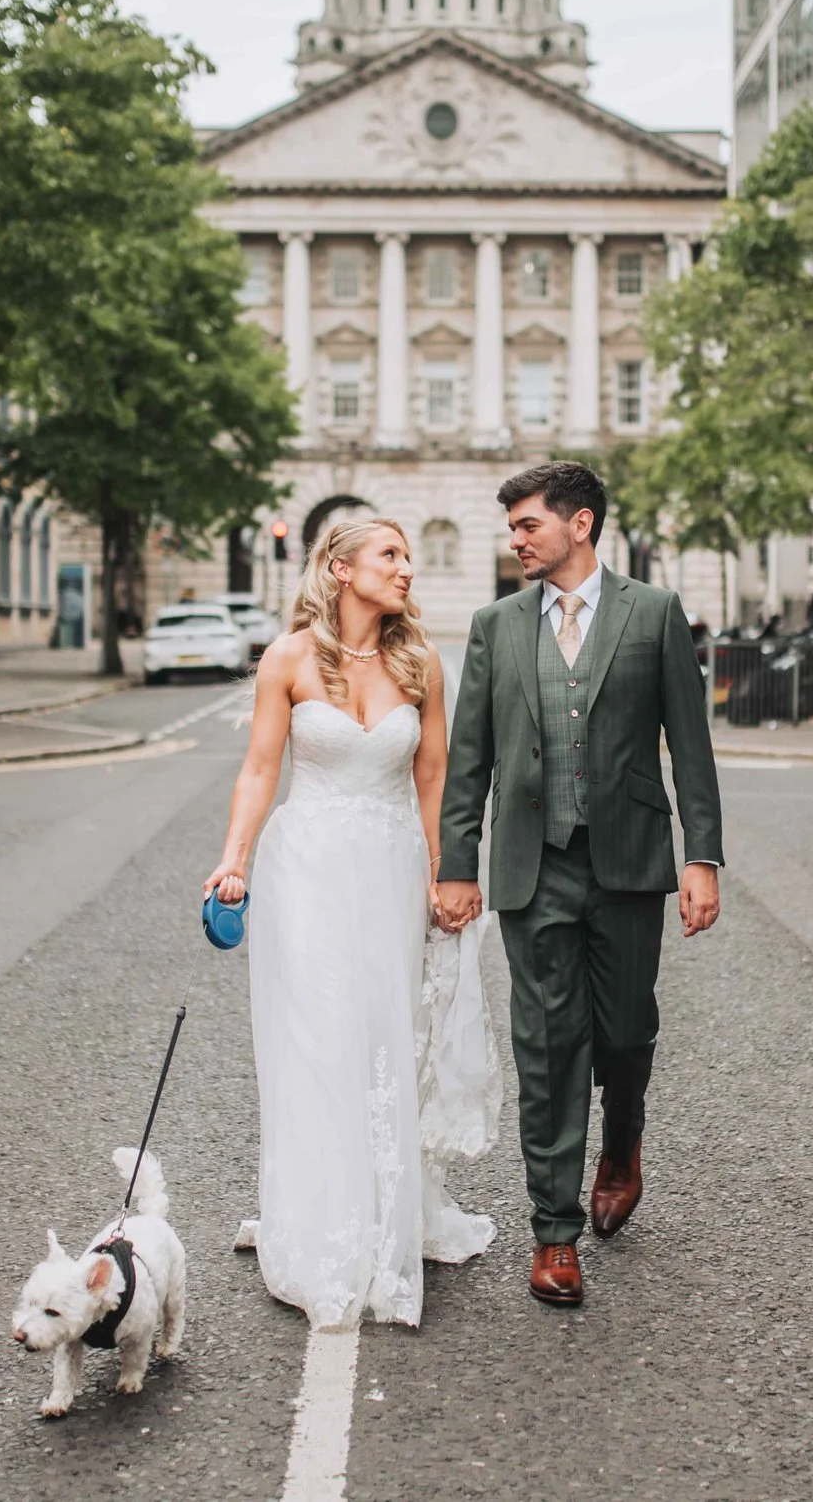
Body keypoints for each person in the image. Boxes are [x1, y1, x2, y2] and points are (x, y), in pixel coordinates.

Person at [435, 461, 724, 1309]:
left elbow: (690, 742)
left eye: (528, 525)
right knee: (549, 1044)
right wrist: (458, 863)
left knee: (626, 1031)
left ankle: (623, 1137)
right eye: (514, 526)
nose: (516, 539)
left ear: (581, 524)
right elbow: (470, 761)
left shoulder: (654, 613)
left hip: (630, 860)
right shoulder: (495, 626)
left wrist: (700, 854)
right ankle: (553, 1233)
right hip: (535, 863)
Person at [204, 519, 498, 1331]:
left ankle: (386, 1204)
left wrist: (449, 874)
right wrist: (234, 858)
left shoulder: (421, 661)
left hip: (392, 866)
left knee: (383, 1034)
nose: (408, 569)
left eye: (408, 556)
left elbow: (434, 776)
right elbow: (262, 766)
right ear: (340, 569)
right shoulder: (289, 658)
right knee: (317, 1037)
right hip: (307, 871)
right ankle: (318, 1217)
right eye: (391, 556)